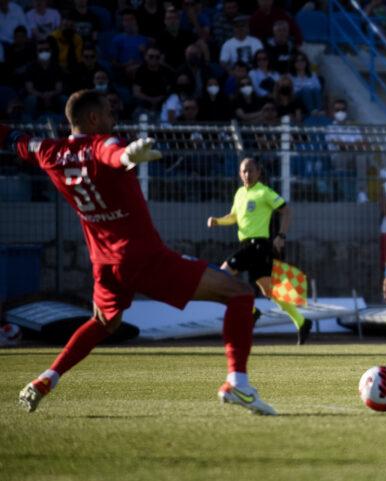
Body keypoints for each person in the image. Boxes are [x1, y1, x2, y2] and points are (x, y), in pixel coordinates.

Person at [3, 90, 275, 415]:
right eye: (108, 112)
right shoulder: (102, 144)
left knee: (104, 323)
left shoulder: (49, 151)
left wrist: (123, 155)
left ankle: (46, 379)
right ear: (93, 118)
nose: (113, 118)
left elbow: (15, 139)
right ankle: (238, 383)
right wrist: (127, 156)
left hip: (104, 263)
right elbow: (111, 154)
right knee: (239, 293)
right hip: (142, 257)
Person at [207, 157, 313, 345]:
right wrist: (218, 221)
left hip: (258, 245)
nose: (247, 174)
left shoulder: (264, 192)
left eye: (250, 170)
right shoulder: (240, 193)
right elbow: (233, 216)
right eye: (244, 171)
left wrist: (281, 236)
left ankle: (252, 312)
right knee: (268, 290)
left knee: (223, 274)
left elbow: (287, 211)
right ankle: (301, 321)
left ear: (258, 172)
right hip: (248, 245)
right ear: (240, 174)